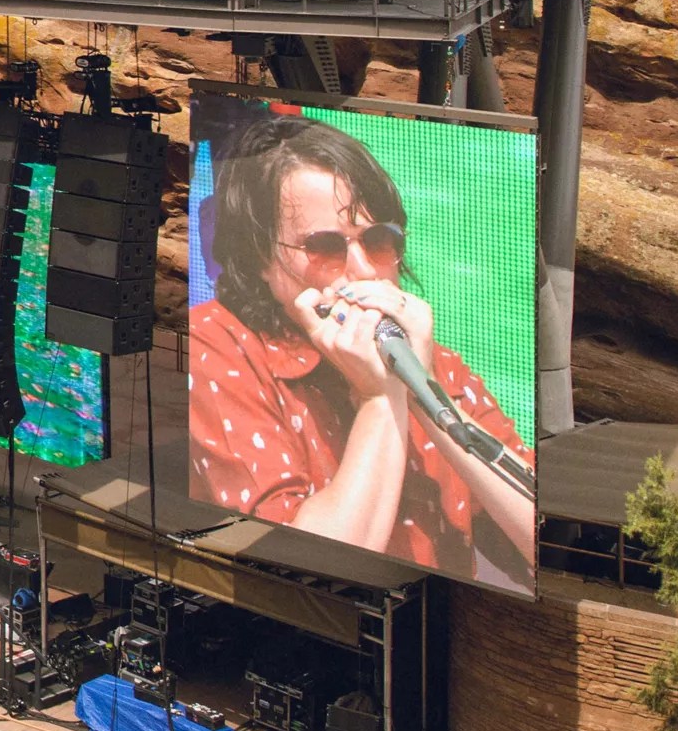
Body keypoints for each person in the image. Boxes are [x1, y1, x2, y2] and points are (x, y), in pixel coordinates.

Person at [189, 110, 536, 582]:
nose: (366, 271)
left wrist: (419, 387)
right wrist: (380, 400)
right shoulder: (215, 344)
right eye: (326, 248)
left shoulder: (434, 363)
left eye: (378, 241)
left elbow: (546, 548)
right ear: (260, 261)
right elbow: (305, 574)